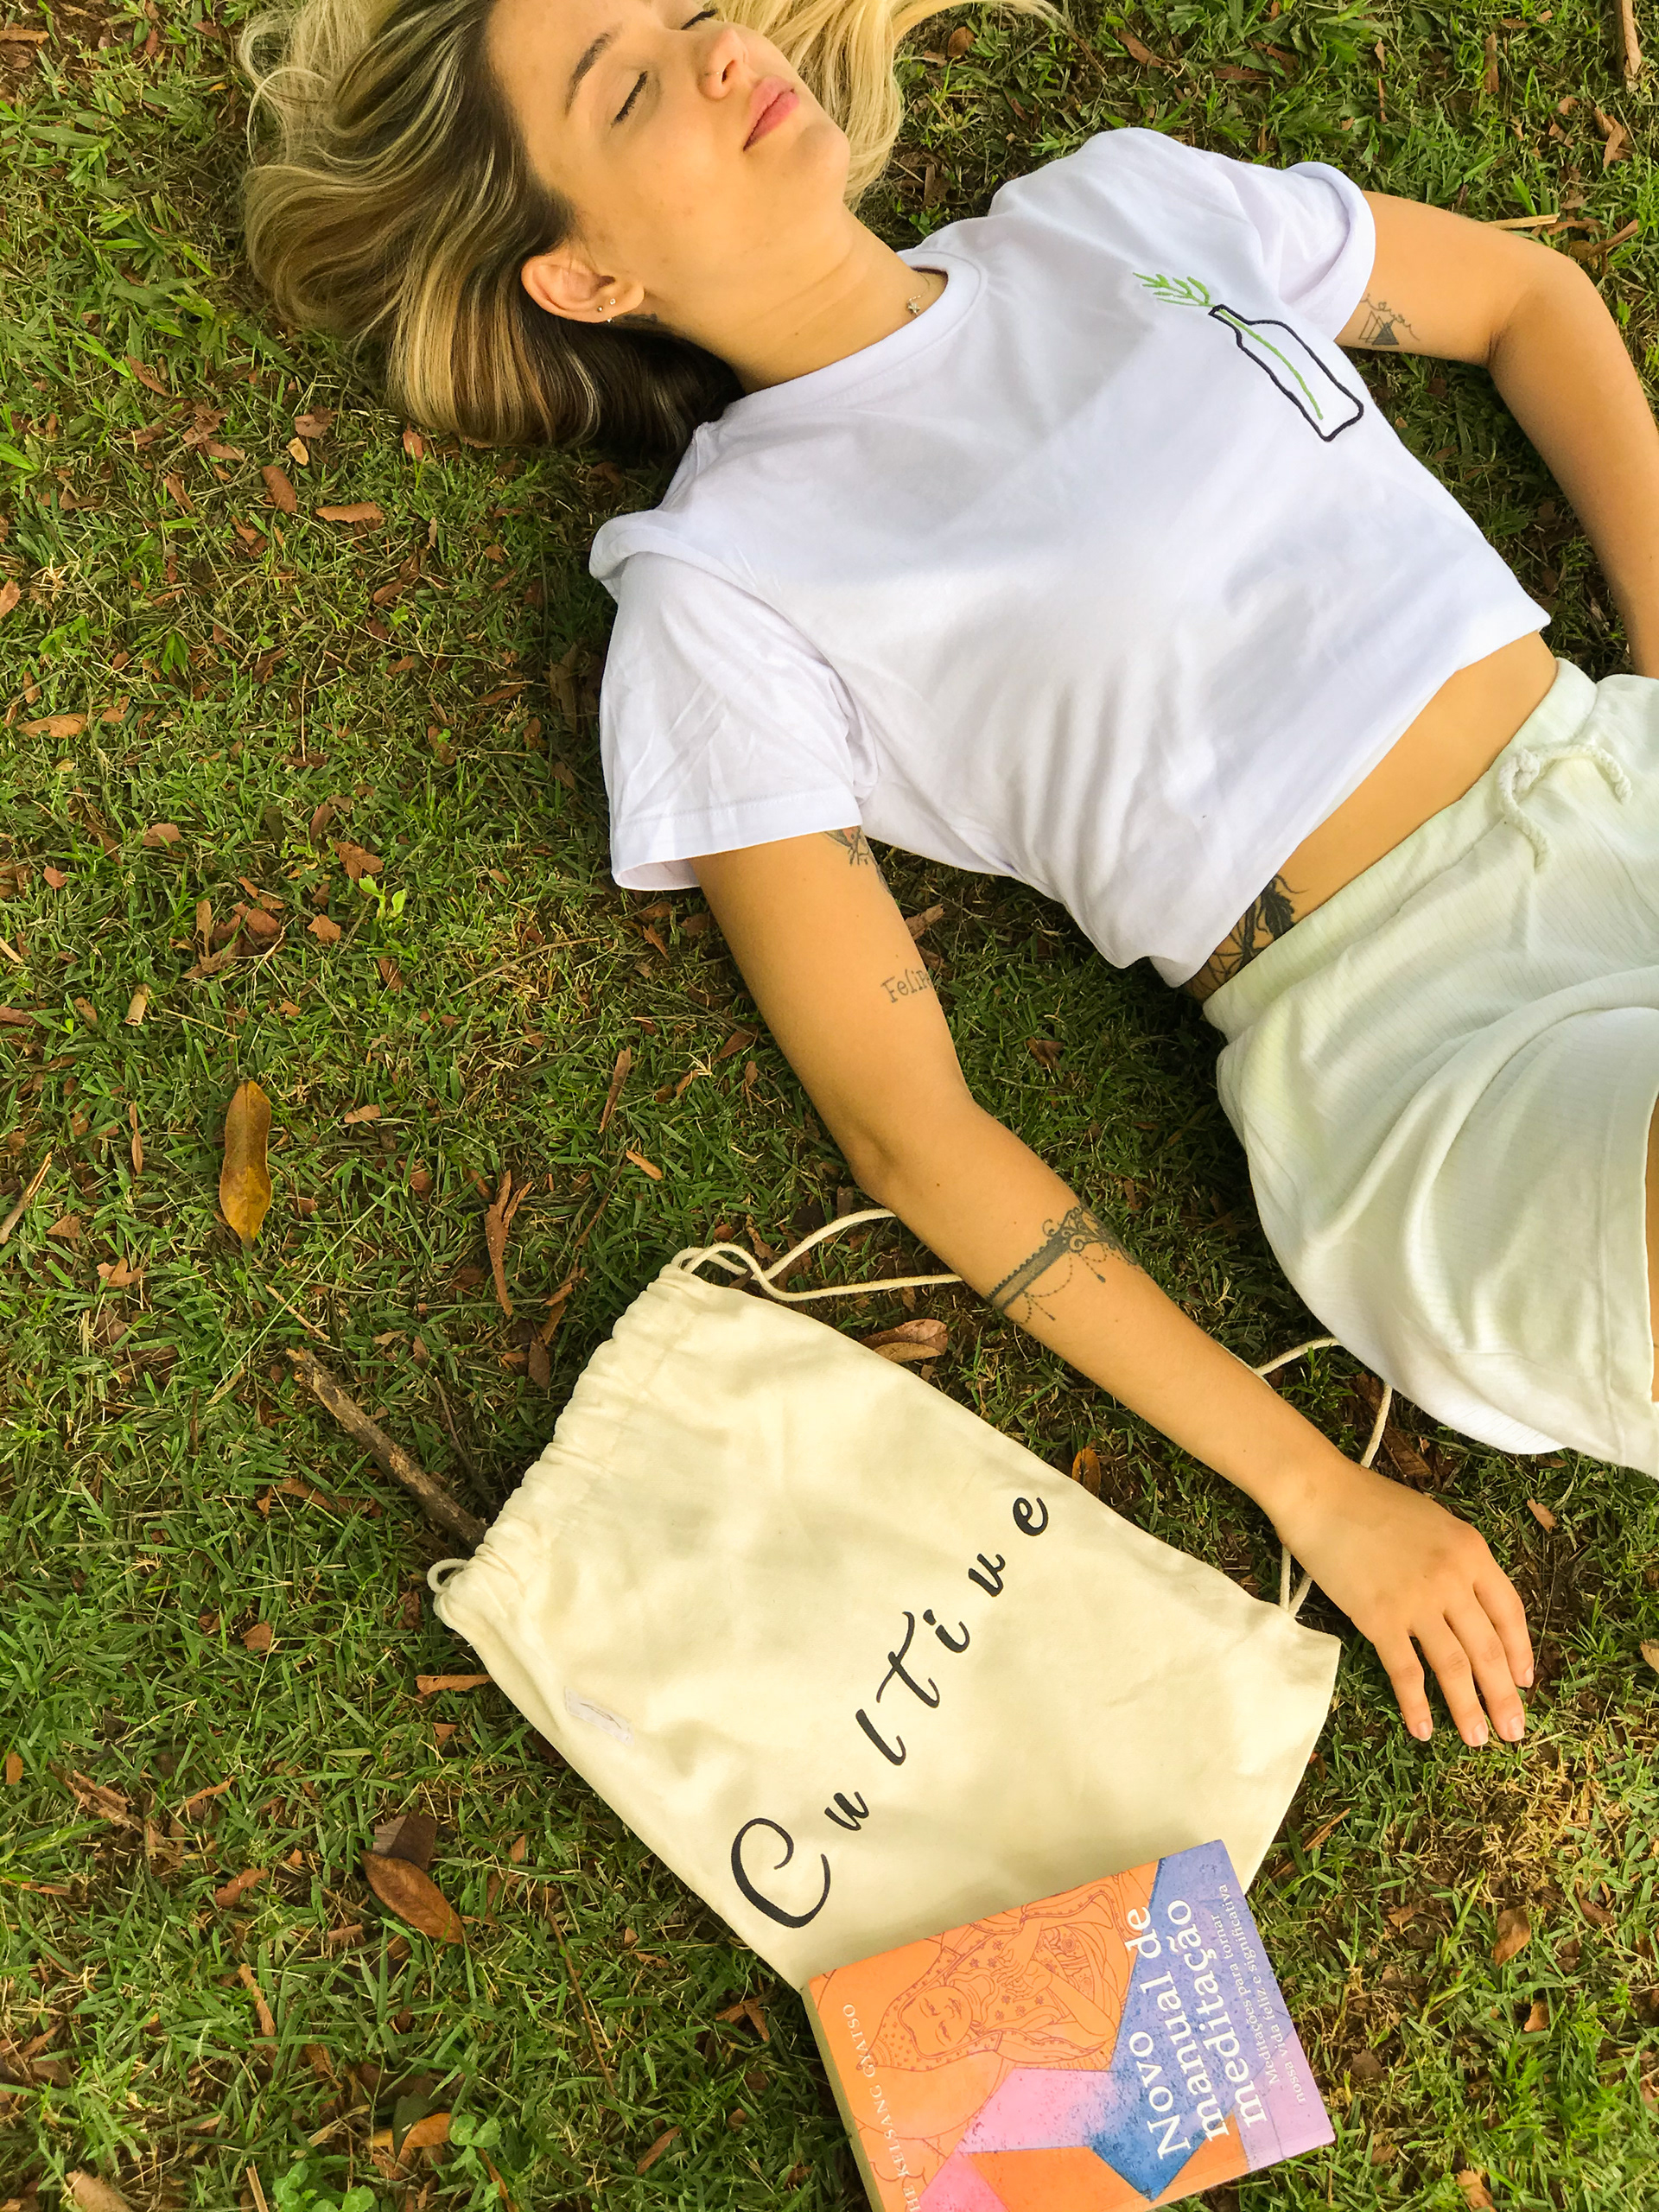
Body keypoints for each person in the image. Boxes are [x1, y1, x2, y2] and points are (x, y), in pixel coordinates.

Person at [240, 0, 1659, 1758]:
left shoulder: (1118, 205)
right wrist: (1315, 1489)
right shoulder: (720, 586)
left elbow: (1529, 300)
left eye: (687, 11)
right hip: (1431, 1057)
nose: (714, 51)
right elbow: (908, 1127)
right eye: (626, 86)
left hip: (1615, 782)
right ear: (585, 277)